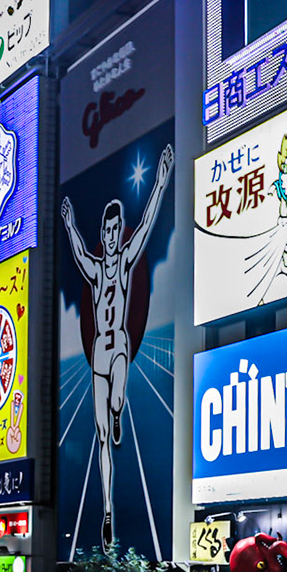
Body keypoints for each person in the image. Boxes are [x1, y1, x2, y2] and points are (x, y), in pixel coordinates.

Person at [58, 142, 174, 545]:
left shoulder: (123, 263)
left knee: (117, 401)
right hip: (98, 358)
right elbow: (75, 252)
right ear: (101, 235)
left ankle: (120, 408)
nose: (109, 236)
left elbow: (145, 227)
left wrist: (160, 182)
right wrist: (71, 226)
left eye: (113, 230)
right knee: (102, 435)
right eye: (105, 231)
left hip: (119, 344)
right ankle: (107, 511)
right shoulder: (94, 268)